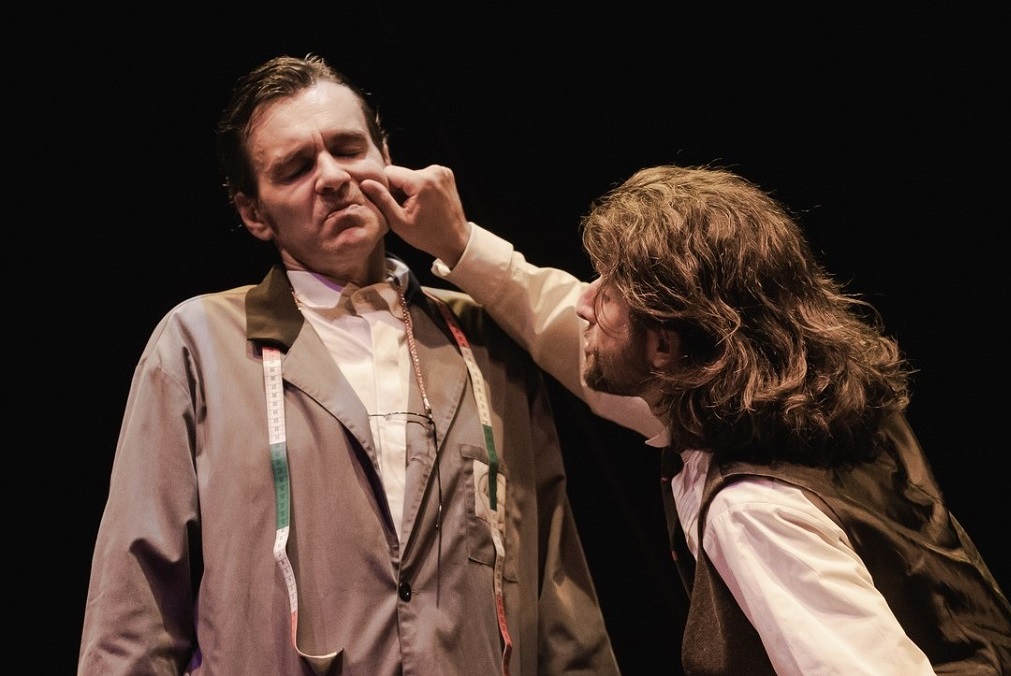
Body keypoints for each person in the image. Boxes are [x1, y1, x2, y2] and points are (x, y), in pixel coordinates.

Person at [77, 54, 621, 676]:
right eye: (296, 168)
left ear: (386, 155)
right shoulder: (198, 344)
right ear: (254, 213)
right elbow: (133, 612)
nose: (333, 177)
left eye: (348, 149)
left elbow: (558, 597)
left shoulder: (485, 339)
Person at [362, 163, 1011, 674]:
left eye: (608, 291)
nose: (585, 303)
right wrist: (458, 243)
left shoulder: (756, 507)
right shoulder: (821, 412)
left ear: (664, 348)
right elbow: (574, 336)